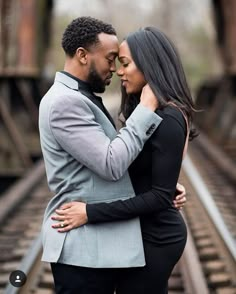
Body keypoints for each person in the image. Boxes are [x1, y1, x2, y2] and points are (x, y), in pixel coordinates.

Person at [39, 17, 186, 293]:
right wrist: (146, 108)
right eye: (110, 59)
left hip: (100, 249)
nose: (114, 68)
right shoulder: (64, 103)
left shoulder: (81, 97)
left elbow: (105, 157)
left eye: (121, 62)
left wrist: (159, 184)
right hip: (83, 252)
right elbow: (110, 162)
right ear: (82, 55)